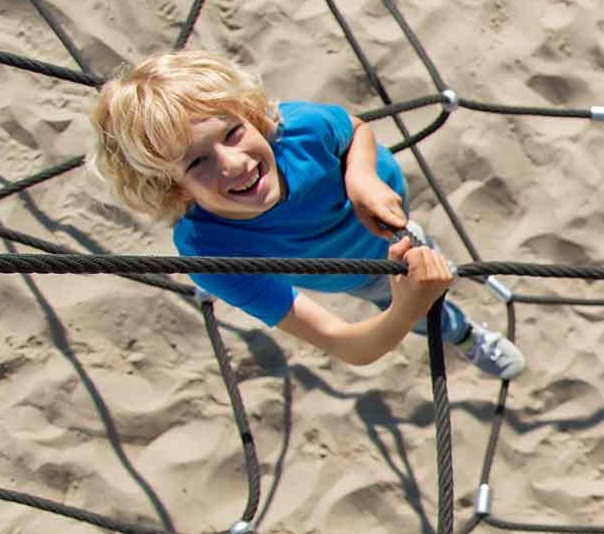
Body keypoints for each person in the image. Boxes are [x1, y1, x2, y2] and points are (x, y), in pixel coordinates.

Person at [88, 51, 526, 379]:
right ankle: (466, 336)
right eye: (197, 163)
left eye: (234, 133)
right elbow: (347, 346)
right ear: (173, 188)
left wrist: (361, 179)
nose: (235, 163)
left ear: (252, 118)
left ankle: (420, 254)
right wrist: (405, 309)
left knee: (419, 249)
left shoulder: (299, 128)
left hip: (386, 208)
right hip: (357, 271)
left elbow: (353, 128)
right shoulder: (209, 250)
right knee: (418, 300)